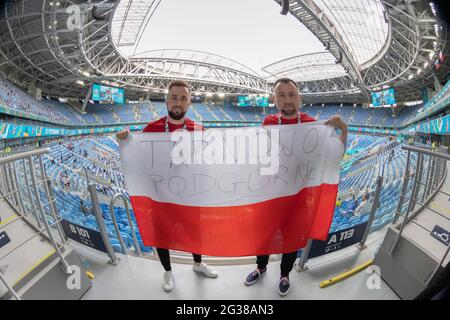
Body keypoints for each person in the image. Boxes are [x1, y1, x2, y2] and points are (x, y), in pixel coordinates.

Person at [244, 78, 348, 296]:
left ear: (299, 98)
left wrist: (343, 130)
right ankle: (260, 267)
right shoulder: (268, 122)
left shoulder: (312, 125)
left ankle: (284, 274)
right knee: (263, 235)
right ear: (274, 99)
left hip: (299, 198)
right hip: (270, 195)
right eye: (281, 95)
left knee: (291, 240)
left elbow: (333, 158)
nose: (287, 99)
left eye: (291, 94)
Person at [116, 80, 218, 292]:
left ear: (189, 103)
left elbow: (210, 160)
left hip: (189, 195)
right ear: (166, 100)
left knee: (195, 231)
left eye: (183, 98)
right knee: (162, 235)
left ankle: (198, 264)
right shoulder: (151, 129)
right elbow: (139, 158)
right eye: (174, 97)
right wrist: (125, 142)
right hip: (160, 195)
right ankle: (168, 271)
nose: (178, 102)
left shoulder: (199, 130)